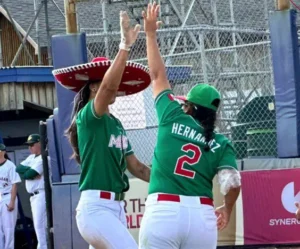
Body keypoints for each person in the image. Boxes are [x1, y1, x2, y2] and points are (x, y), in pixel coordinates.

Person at [139, 3, 241, 249]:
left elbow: (157, 75)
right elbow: (233, 183)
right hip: (202, 217)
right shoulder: (221, 142)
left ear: (191, 107)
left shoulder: (172, 115)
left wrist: (150, 35)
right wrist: (226, 208)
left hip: (163, 211)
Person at [52, 11, 151, 249]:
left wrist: (167, 181)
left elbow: (136, 167)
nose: (116, 89)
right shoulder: (89, 116)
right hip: (96, 209)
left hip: (115, 209)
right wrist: (124, 46)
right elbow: (108, 86)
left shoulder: (115, 123)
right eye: (109, 84)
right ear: (94, 88)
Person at [16, 134, 48, 249]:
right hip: (33, 196)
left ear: (40, 143)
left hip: (41, 194)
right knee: (38, 226)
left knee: (41, 227)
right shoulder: (31, 157)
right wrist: (29, 172)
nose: (29, 148)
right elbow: (18, 168)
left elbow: (30, 174)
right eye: (28, 145)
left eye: (32, 145)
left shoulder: (44, 157)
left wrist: (29, 172)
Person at [0, 143, 21, 249]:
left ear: (3, 152)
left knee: (8, 228)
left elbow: (14, 184)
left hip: (7, 197)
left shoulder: (10, 165)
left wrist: (12, 201)